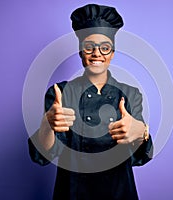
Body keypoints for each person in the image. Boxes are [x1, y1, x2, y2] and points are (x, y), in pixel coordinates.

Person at [28, 4, 153, 200]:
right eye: (89, 47)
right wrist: (47, 125)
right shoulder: (60, 93)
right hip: (72, 191)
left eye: (104, 48)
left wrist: (141, 132)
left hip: (119, 192)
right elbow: (45, 155)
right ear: (80, 51)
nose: (97, 54)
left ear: (112, 53)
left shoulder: (130, 94)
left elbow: (139, 156)